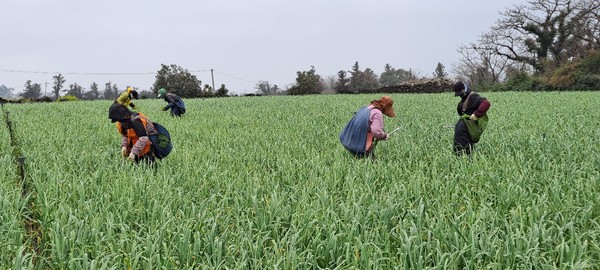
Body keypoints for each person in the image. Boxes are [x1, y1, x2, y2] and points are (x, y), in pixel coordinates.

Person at [452, 81, 491, 155]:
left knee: (464, 151)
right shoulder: (465, 97)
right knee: (461, 149)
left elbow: (486, 103)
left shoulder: (473, 96)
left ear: (463, 90)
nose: (459, 96)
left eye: (459, 93)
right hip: (463, 128)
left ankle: (465, 164)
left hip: (467, 129)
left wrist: (476, 115)